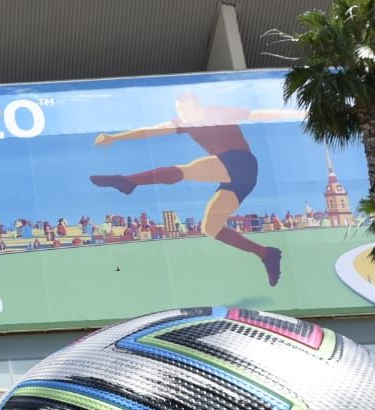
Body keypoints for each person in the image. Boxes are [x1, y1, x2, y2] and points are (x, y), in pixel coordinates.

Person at [89, 92, 305, 286]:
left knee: (188, 170)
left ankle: (128, 181)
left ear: (198, 106)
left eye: (186, 110)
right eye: (179, 111)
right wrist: (115, 137)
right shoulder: (184, 123)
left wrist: (299, 113)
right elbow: (151, 131)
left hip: (241, 163)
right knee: (210, 227)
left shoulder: (217, 114)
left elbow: (258, 114)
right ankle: (266, 254)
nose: (183, 115)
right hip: (239, 180)